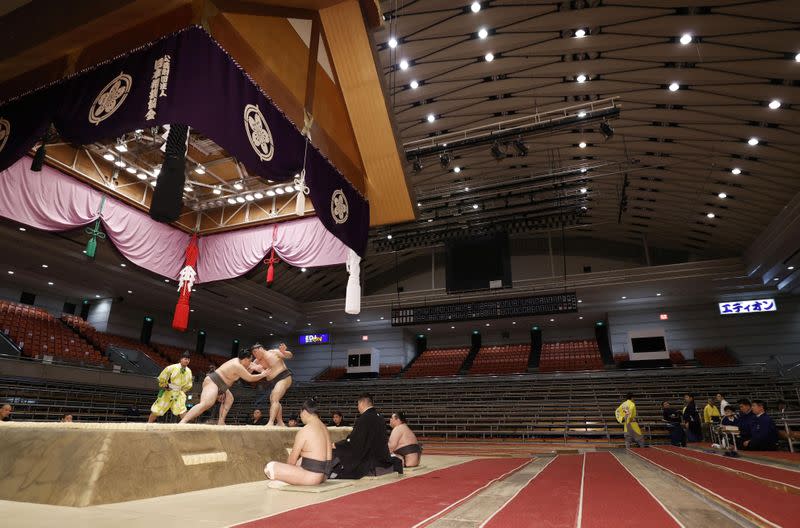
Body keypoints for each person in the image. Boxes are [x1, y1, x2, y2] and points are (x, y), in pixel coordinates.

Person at [179, 348, 268, 424]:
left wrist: (259, 368)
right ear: (245, 359)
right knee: (207, 403)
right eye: (249, 360)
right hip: (213, 381)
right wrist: (262, 375)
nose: (250, 362)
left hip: (222, 386)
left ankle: (221, 421)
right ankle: (183, 421)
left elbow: (251, 369)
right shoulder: (237, 365)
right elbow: (250, 378)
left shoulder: (241, 362)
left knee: (229, 399)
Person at [264, 397, 332, 487]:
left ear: (304, 412)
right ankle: (296, 477)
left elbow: (291, 461)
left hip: (312, 477)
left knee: (270, 467)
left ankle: (289, 480)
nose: (300, 416)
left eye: (300, 413)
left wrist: (287, 475)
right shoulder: (325, 428)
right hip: (325, 475)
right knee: (301, 459)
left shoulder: (305, 430)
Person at [330, 393, 400, 479]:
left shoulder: (363, 419)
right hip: (381, 456)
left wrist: (337, 445)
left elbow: (354, 441)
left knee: (336, 451)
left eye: (358, 404)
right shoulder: (380, 417)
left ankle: (332, 472)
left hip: (369, 459)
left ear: (362, 403)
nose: (358, 407)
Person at [250, 343, 294, 426]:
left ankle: (270, 422)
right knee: (274, 400)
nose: (255, 355)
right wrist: (254, 368)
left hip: (284, 377)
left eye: (255, 352)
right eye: (253, 353)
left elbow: (289, 356)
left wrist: (284, 352)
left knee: (274, 398)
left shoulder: (274, 352)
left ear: (261, 349)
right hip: (272, 382)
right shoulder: (256, 361)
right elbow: (248, 373)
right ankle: (280, 422)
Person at [148, 352, 193, 423]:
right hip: (169, 391)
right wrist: (164, 385)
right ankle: (148, 424)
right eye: (185, 359)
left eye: (188, 359)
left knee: (182, 410)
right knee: (157, 409)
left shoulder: (189, 371)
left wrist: (183, 390)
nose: (187, 361)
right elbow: (162, 377)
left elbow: (189, 384)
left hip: (179, 392)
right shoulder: (172, 367)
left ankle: (184, 426)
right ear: (181, 359)